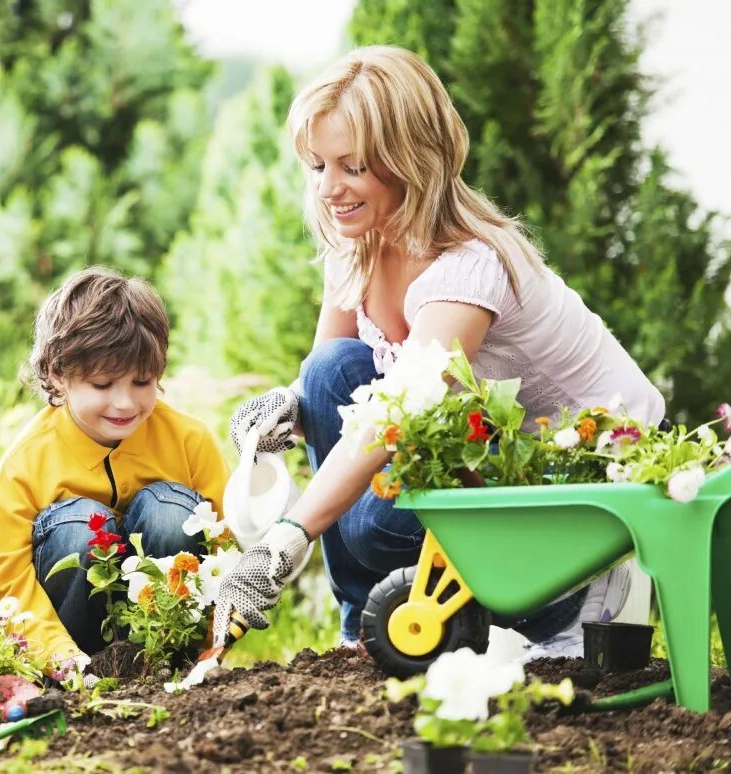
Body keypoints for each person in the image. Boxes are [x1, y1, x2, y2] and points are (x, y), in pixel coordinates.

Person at [213, 46, 662, 659]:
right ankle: (364, 628)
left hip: (579, 482)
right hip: (486, 455)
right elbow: (332, 374)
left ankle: (570, 596)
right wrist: (284, 410)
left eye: (353, 166)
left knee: (372, 521)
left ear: (410, 160)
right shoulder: (359, 244)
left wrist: (286, 541)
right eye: (318, 165)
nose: (329, 188)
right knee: (325, 378)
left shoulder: (471, 266)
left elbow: (395, 412)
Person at [0, 267, 230, 672]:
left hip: (167, 632)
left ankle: (167, 662)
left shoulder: (188, 441)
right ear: (58, 375)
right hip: (73, 648)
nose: (125, 403)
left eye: (142, 381)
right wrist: (59, 659)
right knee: (81, 526)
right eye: (102, 385)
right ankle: (91, 667)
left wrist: (211, 647)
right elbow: (7, 581)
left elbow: (228, 547)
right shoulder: (27, 461)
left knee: (172, 515)